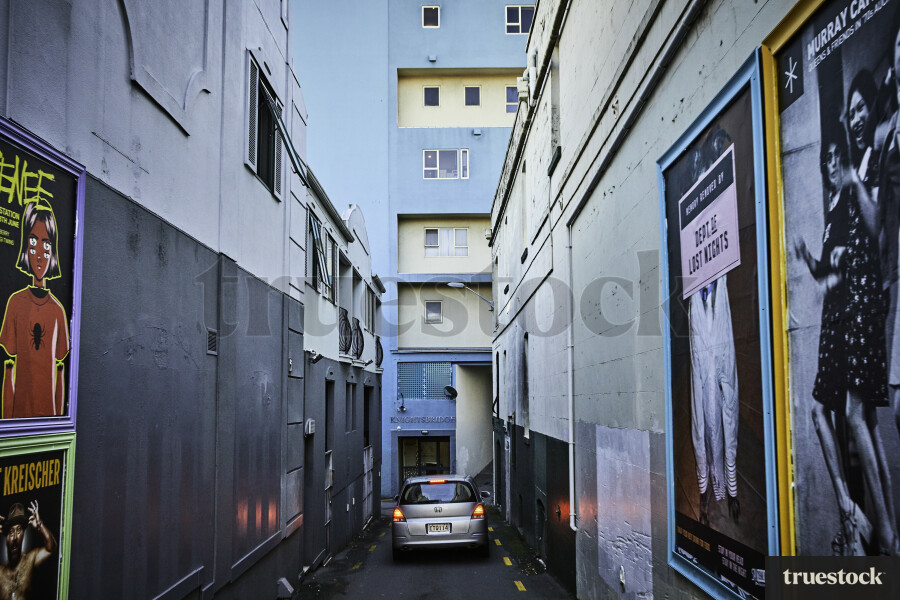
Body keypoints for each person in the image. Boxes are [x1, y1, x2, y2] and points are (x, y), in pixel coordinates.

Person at [795, 127, 897, 555]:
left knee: (850, 417)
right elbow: (829, 271)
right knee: (858, 421)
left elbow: (870, 240)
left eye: (837, 157)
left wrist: (842, 263)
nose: (831, 165)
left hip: (852, 319)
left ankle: (874, 527)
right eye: (827, 160)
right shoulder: (836, 205)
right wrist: (812, 259)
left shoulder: (855, 193)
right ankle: (875, 526)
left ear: (848, 157)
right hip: (838, 317)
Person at [0, 199, 69, 418]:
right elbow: (9, 367)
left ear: (53, 251)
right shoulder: (15, 303)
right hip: (18, 419)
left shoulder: (58, 311)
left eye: (46, 245)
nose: (39, 254)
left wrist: (58, 421)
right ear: (25, 247)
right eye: (33, 242)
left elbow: (60, 372)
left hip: (48, 420)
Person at [689, 274, 740, 526]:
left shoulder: (722, 285)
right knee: (701, 422)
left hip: (720, 347)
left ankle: (731, 487)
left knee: (728, 412)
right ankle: (704, 493)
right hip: (702, 361)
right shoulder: (693, 302)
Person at [0, 501, 57, 600]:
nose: (15, 537)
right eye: (11, 531)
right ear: (7, 538)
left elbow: (51, 549)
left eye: (18, 530)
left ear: (23, 535)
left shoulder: (30, 560)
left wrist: (40, 525)